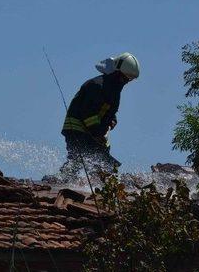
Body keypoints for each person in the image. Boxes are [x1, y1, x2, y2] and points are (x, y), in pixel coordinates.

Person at [59, 52, 140, 182]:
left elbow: (110, 112)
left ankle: (101, 186)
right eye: (124, 78)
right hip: (77, 128)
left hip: (93, 132)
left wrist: (112, 121)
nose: (125, 82)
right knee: (79, 158)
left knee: (105, 164)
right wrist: (98, 133)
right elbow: (89, 113)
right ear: (116, 72)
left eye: (128, 80)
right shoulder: (97, 85)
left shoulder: (114, 90)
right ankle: (62, 181)